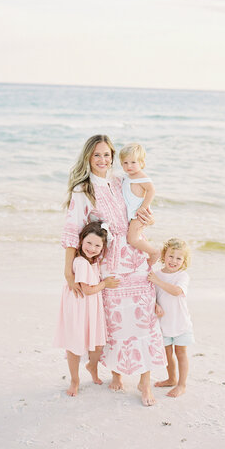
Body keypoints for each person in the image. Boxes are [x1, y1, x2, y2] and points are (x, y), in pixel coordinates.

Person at [60, 134, 167, 406]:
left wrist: (148, 218)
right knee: (115, 320)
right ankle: (116, 372)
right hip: (109, 261)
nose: (103, 160)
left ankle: (145, 381)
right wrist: (69, 271)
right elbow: (73, 231)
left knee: (144, 315)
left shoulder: (121, 180)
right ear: (88, 157)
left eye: (107, 154)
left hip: (135, 257)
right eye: (97, 155)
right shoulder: (82, 190)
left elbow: (139, 209)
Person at [54, 221, 119, 396]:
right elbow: (87, 290)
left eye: (98, 245)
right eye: (89, 243)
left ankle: (92, 366)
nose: (92, 248)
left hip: (92, 308)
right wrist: (105, 284)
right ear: (81, 240)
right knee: (75, 345)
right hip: (78, 307)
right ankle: (75, 380)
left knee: (97, 345)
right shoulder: (81, 263)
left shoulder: (94, 262)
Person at [148, 238, 194, 397]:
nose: (174, 261)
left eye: (179, 258)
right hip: (164, 323)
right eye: (171, 256)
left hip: (181, 323)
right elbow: (151, 295)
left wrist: (157, 281)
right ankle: (171, 378)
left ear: (184, 260)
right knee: (167, 354)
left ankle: (182, 384)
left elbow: (176, 291)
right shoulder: (157, 274)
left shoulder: (182, 276)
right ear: (163, 256)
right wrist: (155, 305)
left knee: (180, 352)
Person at [119, 143, 160, 266]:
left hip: (138, 214)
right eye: (125, 163)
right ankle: (140, 258)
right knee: (136, 237)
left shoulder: (142, 176)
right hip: (132, 213)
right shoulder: (129, 177)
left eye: (133, 162)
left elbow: (151, 190)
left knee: (133, 239)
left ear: (141, 162)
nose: (129, 166)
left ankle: (154, 252)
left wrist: (144, 207)